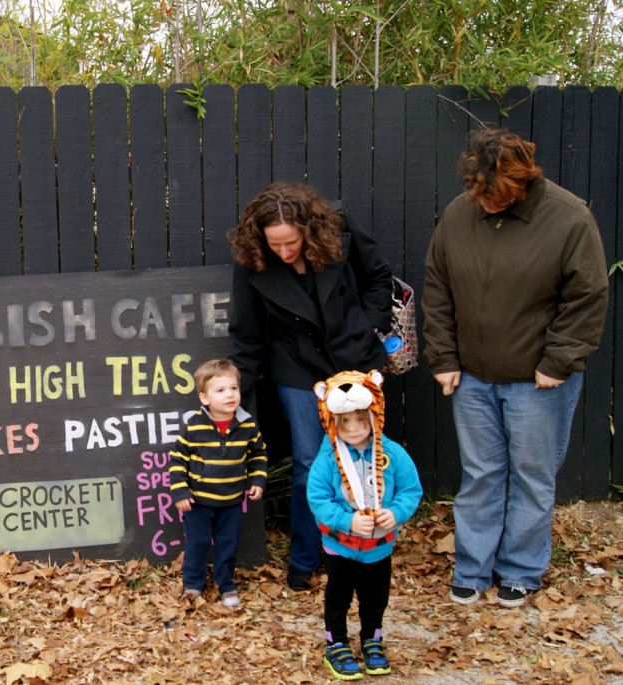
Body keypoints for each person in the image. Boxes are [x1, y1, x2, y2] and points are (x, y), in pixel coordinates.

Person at [423, 128, 609, 608]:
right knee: (481, 474)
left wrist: (559, 361)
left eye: (492, 194)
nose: (482, 201)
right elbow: (437, 287)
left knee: (531, 475)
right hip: (471, 376)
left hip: (538, 380)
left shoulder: (568, 218)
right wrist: (442, 357)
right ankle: (472, 567)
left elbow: (587, 296)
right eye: (475, 191)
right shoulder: (459, 213)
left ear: (520, 183)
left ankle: (522, 569)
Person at [228, 182, 395, 591]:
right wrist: (236, 400)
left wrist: (367, 326)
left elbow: (378, 278)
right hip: (297, 368)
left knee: (365, 454)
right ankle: (305, 558)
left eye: (291, 242)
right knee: (308, 465)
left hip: (353, 360)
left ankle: (365, 546)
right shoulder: (252, 260)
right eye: (275, 245)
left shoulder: (338, 229)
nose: (284, 252)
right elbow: (246, 334)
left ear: (308, 229)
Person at [308, 369, 422, 680]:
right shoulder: (328, 459)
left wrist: (396, 514)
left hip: (378, 548)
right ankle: (337, 643)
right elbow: (317, 499)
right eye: (346, 422)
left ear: (375, 415)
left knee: (375, 598)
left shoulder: (393, 454)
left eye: (361, 420)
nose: (355, 429)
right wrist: (346, 520)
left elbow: (411, 490)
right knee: (338, 597)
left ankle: (373, 639)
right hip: (340, 547)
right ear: (334, 423)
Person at [169, 358, 268, 607]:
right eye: (221, 390)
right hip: (198, 501)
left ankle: (226, 585)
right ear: (205, 398)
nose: (230, 395)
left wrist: (257, 479)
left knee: (228, 545)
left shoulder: (247, 425)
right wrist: (180, 491)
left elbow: (258, 454)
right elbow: (178, 460)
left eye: (233, 388)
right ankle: (193, 585)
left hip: (232, 501)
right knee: (197, 544)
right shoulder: (193, 426)